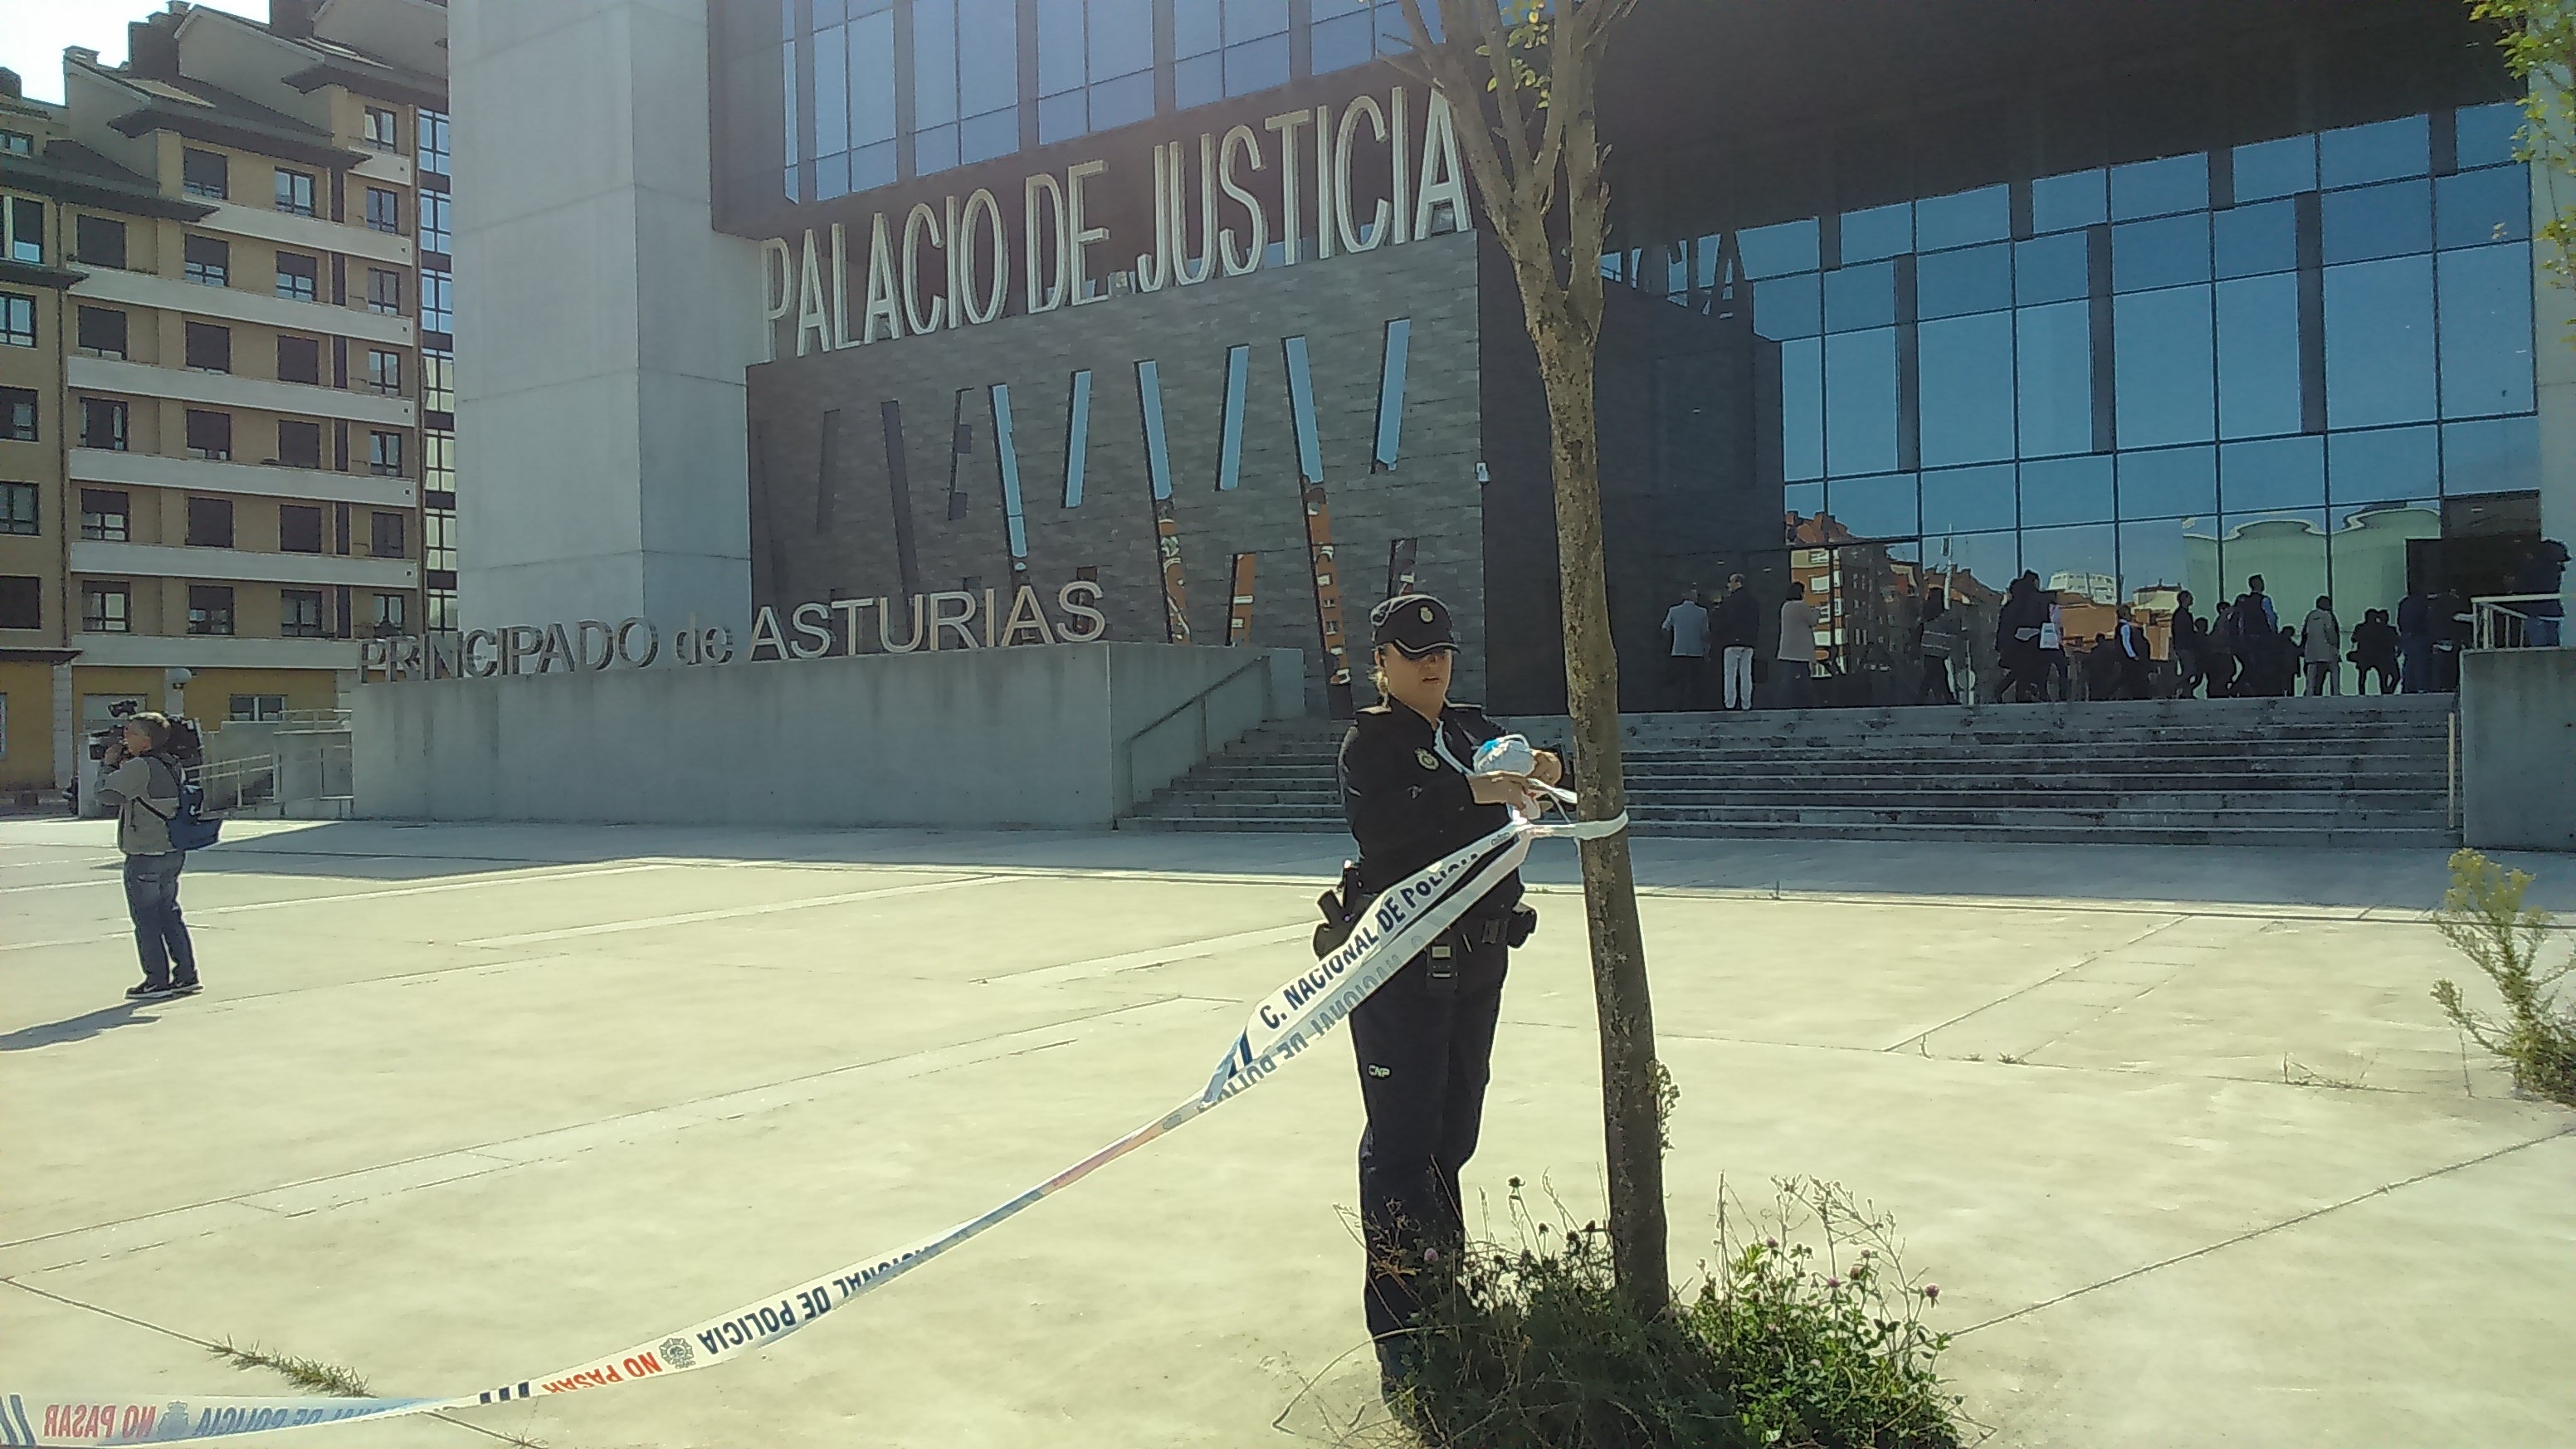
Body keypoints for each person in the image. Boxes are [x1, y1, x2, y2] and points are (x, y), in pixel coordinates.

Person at [1337, 593, 1560, 1394]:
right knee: (1400, 1146)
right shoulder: (1371, 744)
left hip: (1479, 961)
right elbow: (1386, 831)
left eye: (1441, 652)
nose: (1431, 664)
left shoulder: (1467, 728)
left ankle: (1445, 1294)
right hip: (1402, 969)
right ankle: (1402, 1336)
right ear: (1382, 663)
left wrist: (1541, 771)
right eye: (1411, 652)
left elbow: (1519, 769)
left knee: (1451, 1137)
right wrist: (1476, 794)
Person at [95, 711, 202, 1002]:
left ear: (146, 738)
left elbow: (106, 795)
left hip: (145, 853)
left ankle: (156, 980)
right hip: (172, 850)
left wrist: (107, 766)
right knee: (170, 913)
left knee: (146, 919)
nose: (124, 738)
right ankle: (186, 975)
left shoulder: (141, 766)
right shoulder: (172, 764)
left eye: (130, 733)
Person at [1658, 584, 1711, 711]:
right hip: (1696, 651)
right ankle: (1694, 706)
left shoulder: (1674, 610)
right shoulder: (1702, 612)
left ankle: (1677, 706)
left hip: (1678, 651)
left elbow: (1665, 628)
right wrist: (1706, 651)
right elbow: (1705, 634)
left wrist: (1669, 643)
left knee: (1679, 682)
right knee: (1695, 682)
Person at [1996, 573, 2047, 703]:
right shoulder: (2031, 601)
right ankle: (2017, 693)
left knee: (2021, 669)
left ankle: (2016, 693)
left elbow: (2004, 625)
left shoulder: (2013, 604)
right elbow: (2035, 619)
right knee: (2024, 668)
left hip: (2014, 641)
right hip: (2026, 641)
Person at [1715, 573, 1760, 711]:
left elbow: (1722, 621)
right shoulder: (1753, 601)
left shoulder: (1729, 602)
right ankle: (1746, 704)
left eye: (1730, 582)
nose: (1729, 585)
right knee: (1746, 675)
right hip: (1748, 642)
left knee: (1730, 675)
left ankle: (1730, 704)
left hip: (1731, 642)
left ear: (1738, 582)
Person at [1773, 582, 1819, 709]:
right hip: (1801, 651)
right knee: (1805, 679)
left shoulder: (1786, 606)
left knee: (1788, 679)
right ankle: (1811, 704)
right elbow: (1812, 621)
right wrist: (1816, 611)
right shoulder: (1801, 606)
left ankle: (1782, 703)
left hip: (1788, 649)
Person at [2515, 539, 2568, 647]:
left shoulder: (2535, 568)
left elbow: (2523, 587)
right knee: (2552, 649)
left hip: (2537, 612)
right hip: (2553, 612)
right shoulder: (2555, 569)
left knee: (2539, 651)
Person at [1915, 587, 1958, 705]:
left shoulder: (1926, 612)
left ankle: (1948, 698)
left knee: (1938, 675)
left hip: (1928, 649)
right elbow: (1951, 628)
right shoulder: (1943, 614)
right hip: (1939, 650)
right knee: (1934, 676)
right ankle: (1921, 699)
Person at [2351, 607, 2400, 695]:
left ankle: (2362, 693)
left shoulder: (2360, 627)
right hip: (2381, 657)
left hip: (2365, 656)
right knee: (2383, 676)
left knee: (2362, 676)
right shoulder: (2385, 629)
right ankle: (2386, 691)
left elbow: (2354, 639)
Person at [2301, 595, 2342, 696]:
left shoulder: (2310, 615)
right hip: (2326, 652)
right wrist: (2336, 647)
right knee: (2334, 670)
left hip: (2311, 652)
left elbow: (2304, 633)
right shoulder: (2327, 616)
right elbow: (2331, 634)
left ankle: (2309, 693)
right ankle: (2335, 692)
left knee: (2312, 676)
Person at [2396, 586, 2435, 693]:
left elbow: (2399, 620)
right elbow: (2428, 620)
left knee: (2409, 661)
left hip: (2406, 635)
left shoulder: (2404, 603)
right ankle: (2421, 686)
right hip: (2420, 635)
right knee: (2421, 662)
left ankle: (2408, 686)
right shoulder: (2424, 603)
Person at [2170, 591, 2206, 698]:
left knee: (2188, 670)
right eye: (2190, 597)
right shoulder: (2182, 614)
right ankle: (2173, 684)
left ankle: (2186, 693)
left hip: (2183, 646)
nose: (2192, 599)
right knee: (2190, 670)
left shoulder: (2181, 614)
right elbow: (2185, 632)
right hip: (2185, 647)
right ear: (2185, 599)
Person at [2112, 605, 2151, 700]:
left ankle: (2111, 692)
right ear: (2125, 614)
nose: (2131, 615)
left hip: (2123, 657)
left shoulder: (2119, 627)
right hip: (2128, 658)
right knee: (2130, 676)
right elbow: (2126, 642)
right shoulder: (2125, 627)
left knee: (2126, 677)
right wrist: (2133, 655)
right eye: (2129, 613)